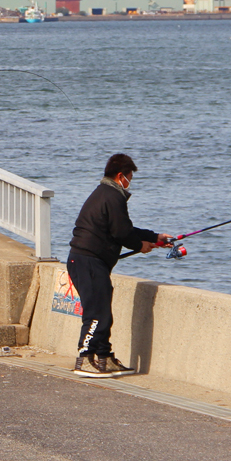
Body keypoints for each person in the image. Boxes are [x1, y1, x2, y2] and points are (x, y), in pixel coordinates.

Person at [67, 153, 172, 378]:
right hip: (88, 261)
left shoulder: (103, 194)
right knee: (96, 313)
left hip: (86, 261)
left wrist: (155, 238)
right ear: (120, 176)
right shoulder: (113, 197)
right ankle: (84, 358)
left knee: (103, 310)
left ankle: (104, 358)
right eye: (129, 178)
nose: (130, 182)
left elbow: (125, 228)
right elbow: (122, 233)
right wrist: (141, 245)